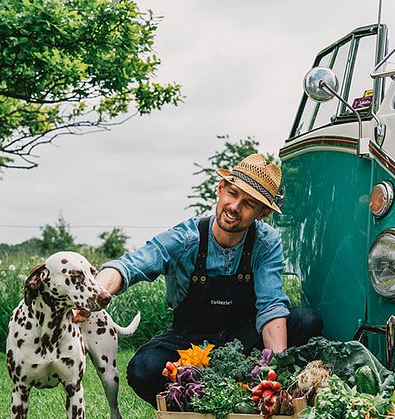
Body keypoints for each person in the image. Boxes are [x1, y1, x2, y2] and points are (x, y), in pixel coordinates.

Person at [94, 153, 323, 405]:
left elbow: (271, 306)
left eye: (248, 203)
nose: (235, 207)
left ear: (262, 213)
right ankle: (192, 406)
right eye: (233, 193)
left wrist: (273, 373)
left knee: (306, 320)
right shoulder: (186, 237)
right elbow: (131, 265)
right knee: (143, 368)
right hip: (188, 340)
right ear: (221, 188)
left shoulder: (266, 243)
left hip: (244, 339)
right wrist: (96, 291)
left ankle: (253, 393)